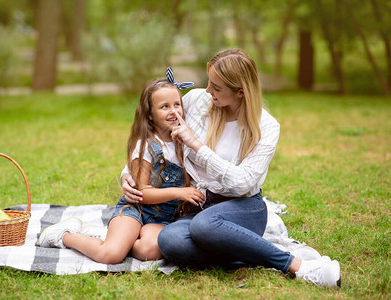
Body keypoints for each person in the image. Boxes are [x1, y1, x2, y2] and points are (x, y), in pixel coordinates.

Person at [121, 49, 341, 288]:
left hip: (244, 207)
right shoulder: (197, 101)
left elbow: (242, 183)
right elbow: (157, 133)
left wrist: (196, 144)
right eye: (209, 82)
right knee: (170, 239)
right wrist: (128, 175)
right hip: (198, 205)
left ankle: (300, 267)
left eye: (216, 87)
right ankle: (245, 250)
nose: (207, 91)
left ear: (241, 92)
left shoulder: (266, 126)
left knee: (204, 226)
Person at [36, 68, 205, 264]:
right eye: (164, 107)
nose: (174, 111)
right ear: (150, 115)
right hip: (137, 209)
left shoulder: (186, 142)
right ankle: (66, 236)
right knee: (111, 255)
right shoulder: (146, 146)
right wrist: (179, 192)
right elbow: (141, 192)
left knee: (148, 250)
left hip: (164, 218)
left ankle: (108, 237)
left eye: (177, 104)